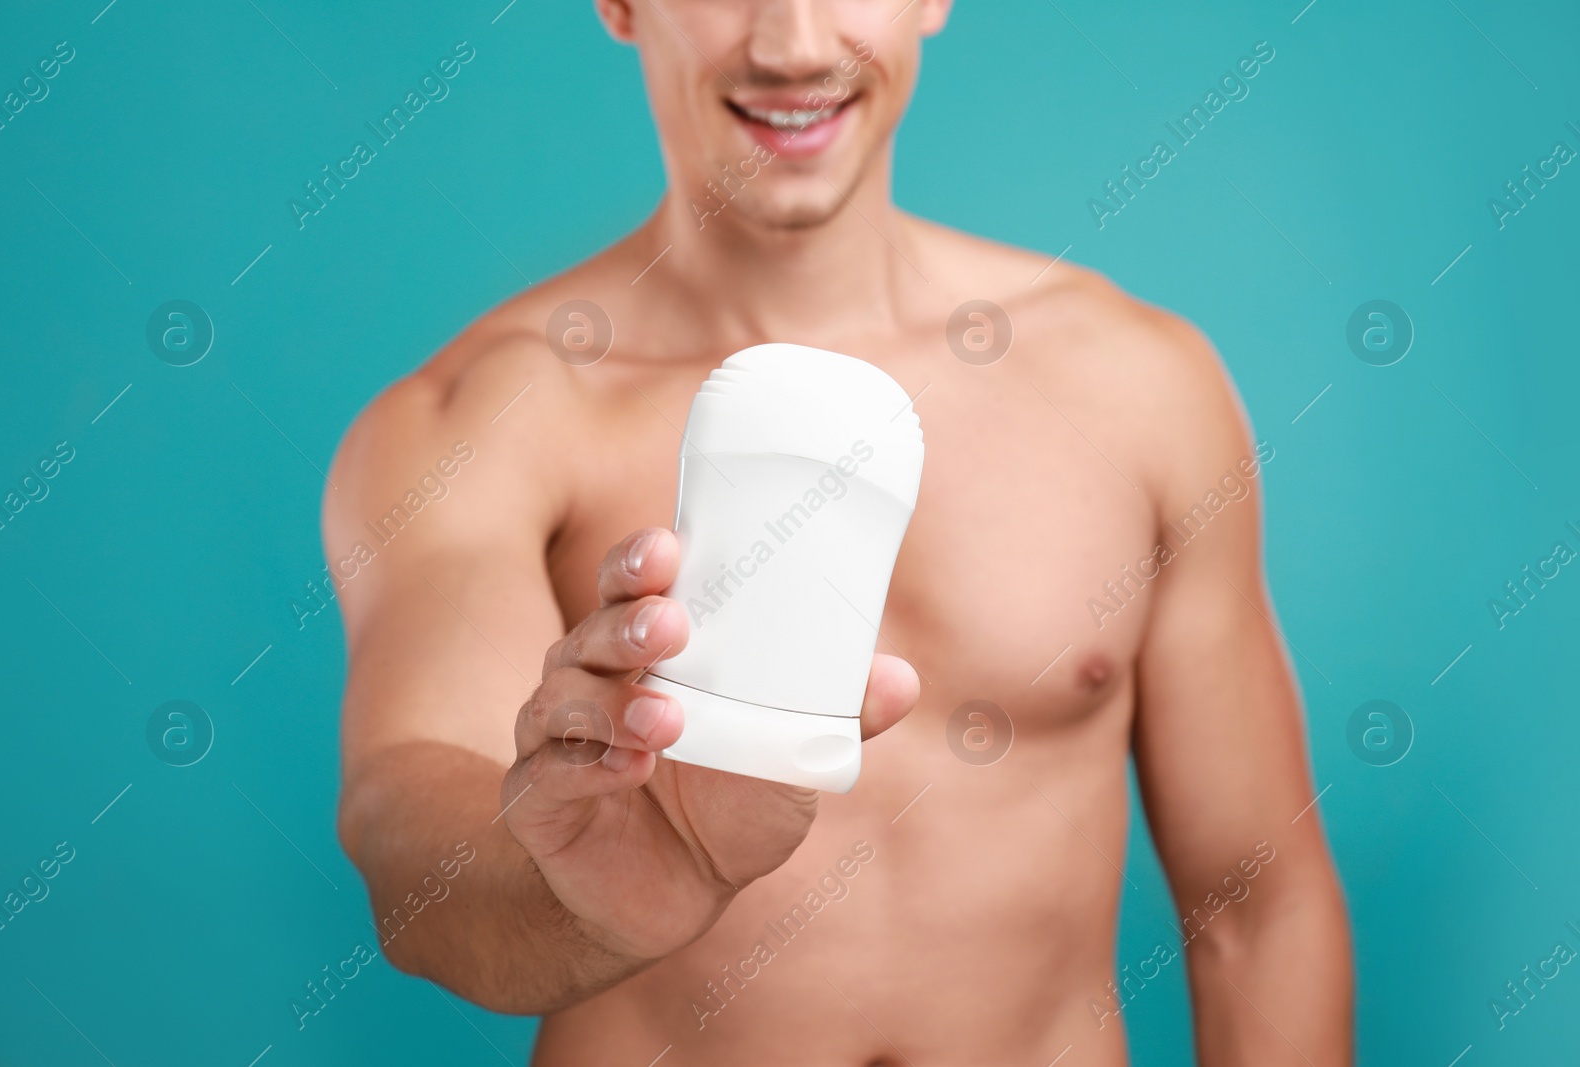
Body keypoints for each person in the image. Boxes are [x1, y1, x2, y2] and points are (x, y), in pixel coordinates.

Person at [325, 0, 1353, 1062]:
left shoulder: (1139, 388)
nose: (796, 45)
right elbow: (411, 841)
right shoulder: (475, 426)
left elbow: (1256, 909)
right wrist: (585, 900)